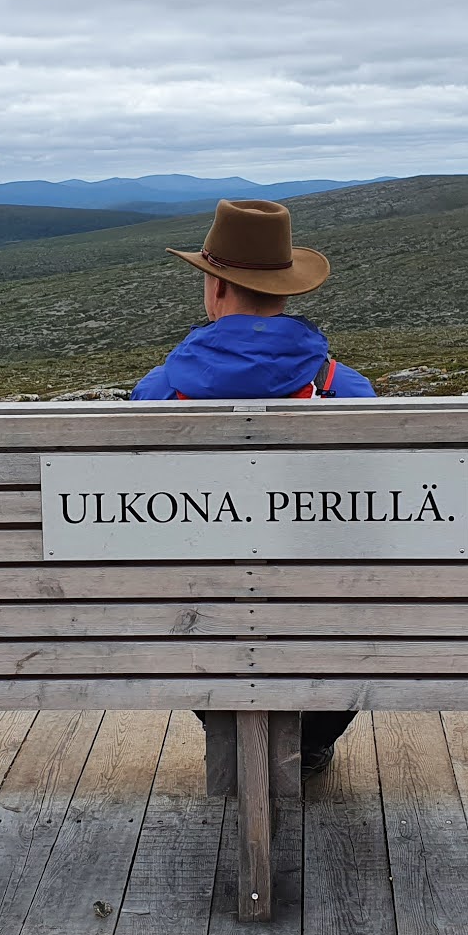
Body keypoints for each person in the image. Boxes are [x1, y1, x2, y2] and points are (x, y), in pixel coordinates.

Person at [132, 198, 373, 775]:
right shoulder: (348, 391)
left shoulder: (157, 392)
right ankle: (311, 741)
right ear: (286, 292)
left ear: (216, 288)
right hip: (325, 611)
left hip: (197, 613)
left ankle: (230, 728)